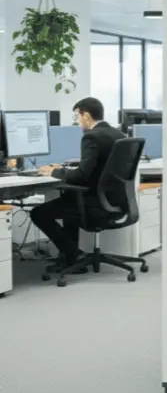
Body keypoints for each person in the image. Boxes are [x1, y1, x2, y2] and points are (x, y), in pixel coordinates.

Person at [32, 97, 128, 273]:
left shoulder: (91, 136)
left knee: (39, 213)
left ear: (87, 116)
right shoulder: (119, 135)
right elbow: (98, 167)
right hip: (117, 202)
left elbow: (82, 176)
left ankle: (73, 253)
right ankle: (71, 259)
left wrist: (53, 172)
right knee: (69, 200)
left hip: (95, 205)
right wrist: (65, 169)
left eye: (77, 117)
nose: (77, 122)